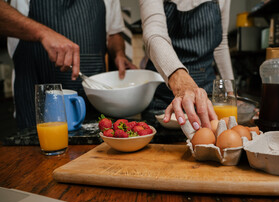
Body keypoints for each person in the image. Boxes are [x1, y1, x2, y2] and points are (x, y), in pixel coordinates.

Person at [0, 0, 136, 129]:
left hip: (94, 109)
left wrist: (119, 54)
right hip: (38, 111)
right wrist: (42, 32)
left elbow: (114, 34)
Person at [139, 0, 234, 130]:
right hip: (162, 99)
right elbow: (154, 33)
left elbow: (220, 45)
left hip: (205, 96)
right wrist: (180, 81)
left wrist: (231, 92)